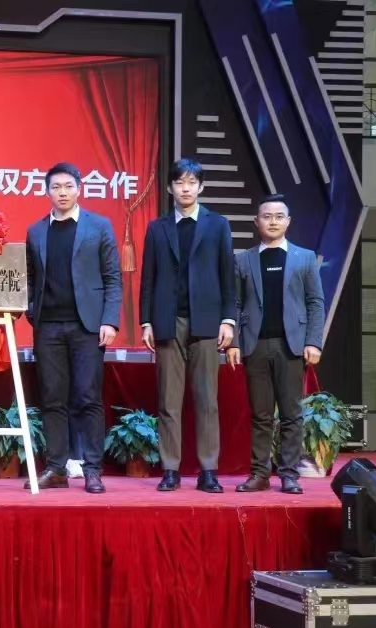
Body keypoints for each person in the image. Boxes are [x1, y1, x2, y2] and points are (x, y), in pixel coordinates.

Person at [140, 158, 236, 493]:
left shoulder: (217, 225)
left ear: (201, 187)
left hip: (207, 322)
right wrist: (146, 321)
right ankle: (170, 469)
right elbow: (148, 279)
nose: (185, 188)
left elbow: (228, 276)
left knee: (207, 399)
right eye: (179, 182)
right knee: (168, 401)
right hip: (168, 321)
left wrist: (228, 320)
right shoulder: (157, 228)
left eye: (191, 182)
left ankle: (208, 470)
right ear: (170, 188)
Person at [25, 163, 122, 493]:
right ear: (47, 192)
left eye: (68, 186)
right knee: (52, 398)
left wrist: (110, 320)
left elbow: (113, 278)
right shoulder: (36, 231)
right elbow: (30, 279)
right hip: (48, 327)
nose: (62, 192)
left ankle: (92, 469)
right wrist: (31, 311)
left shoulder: (99, 226)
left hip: (88, 327)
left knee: (88, 397)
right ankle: (56, 468)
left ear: (79, 189)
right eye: (56, 187)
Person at [227, 194, 324, 494]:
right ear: (256, 222)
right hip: (254, 346)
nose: (272, 221)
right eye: (266, 216)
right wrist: (233, 342)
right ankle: (259, 474)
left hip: (291, 347)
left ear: (288, 221)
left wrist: (314, 342)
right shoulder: (243, 260)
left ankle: (289, 474)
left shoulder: (304, 258)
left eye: (278, 216)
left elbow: (315, 302)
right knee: (261, 415)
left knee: (292, 414)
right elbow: (235, 303)